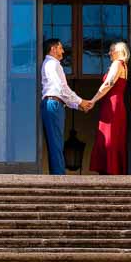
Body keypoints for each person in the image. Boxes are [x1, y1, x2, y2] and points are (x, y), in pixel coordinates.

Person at [41, 38, 92, 175]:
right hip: (54, 104)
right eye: (60, 47)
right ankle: (59, 177)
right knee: (56, 143)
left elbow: (61, 91)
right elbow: (61, 88)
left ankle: (57, 175)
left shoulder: (51, 64)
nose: (63, 51)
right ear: (53, 49)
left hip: (54, 104)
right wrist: (80, 102)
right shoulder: (53, 64)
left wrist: (77, 105)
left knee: (55, 142)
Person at [88, 42, 129, 175]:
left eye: (112, 50)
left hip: (112, 105)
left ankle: (110, 170)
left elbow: (108, 83)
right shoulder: (124, 65)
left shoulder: (117, 64)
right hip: (115, 104)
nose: (109, 53)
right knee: (113, 136)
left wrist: (93, 100)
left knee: (109, 137)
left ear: (120, 51)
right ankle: (113, 169)